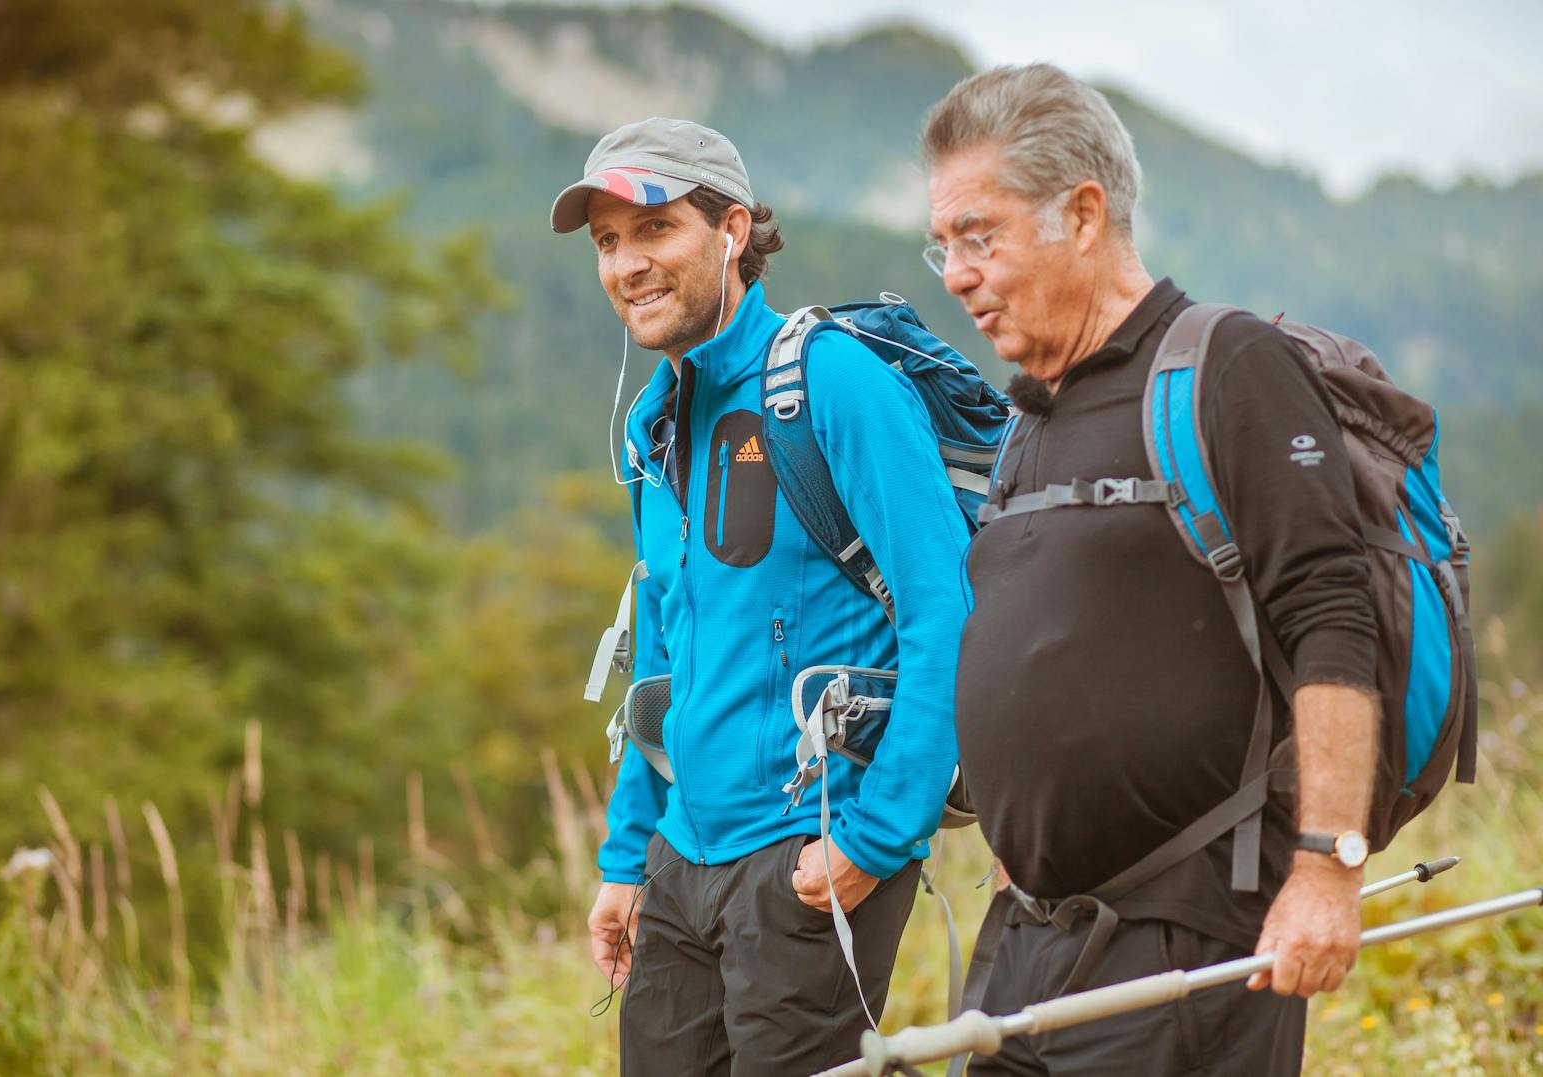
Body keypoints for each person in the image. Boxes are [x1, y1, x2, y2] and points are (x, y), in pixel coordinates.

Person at [920, 65, 1379, 1074]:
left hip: (1180, 945)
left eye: (977, 236)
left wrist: (1326, 868)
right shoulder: (1027, 421)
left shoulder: (1223, 366)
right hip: (1024, 946)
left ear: (1080, 215)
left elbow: (1333, 616)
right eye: (942, 243)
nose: (952, 273)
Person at [551, 117, 971, 1075]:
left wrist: (876, 837)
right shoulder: (652, 422)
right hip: (681, 855)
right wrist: (627, 856)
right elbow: (659, 652)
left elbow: (946, 611)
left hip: (811, 850)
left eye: (653, 230)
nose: (626, 265)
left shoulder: (831, 381)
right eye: (608, 243)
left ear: (731, 230)